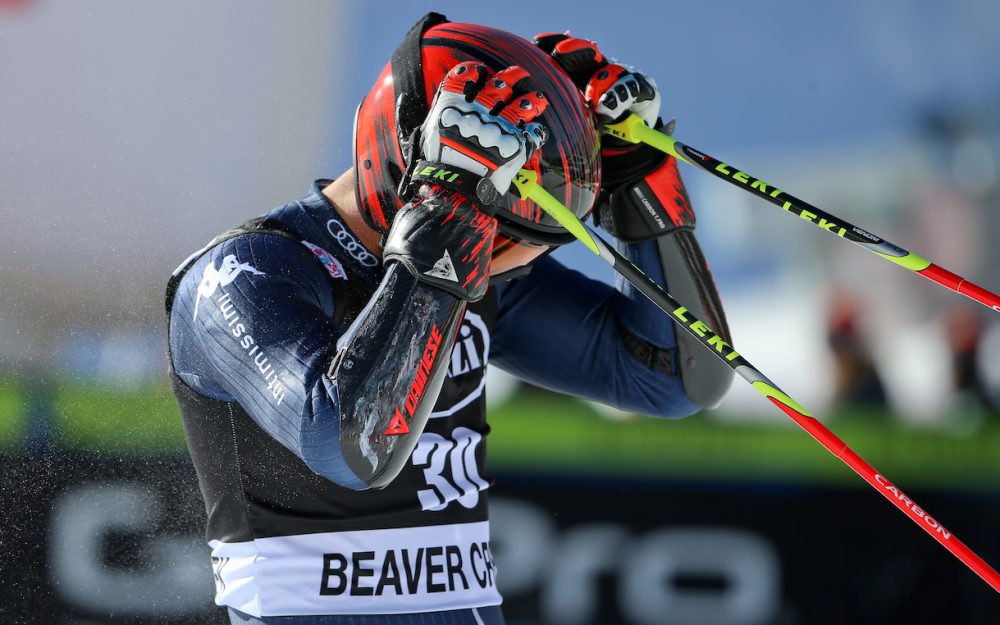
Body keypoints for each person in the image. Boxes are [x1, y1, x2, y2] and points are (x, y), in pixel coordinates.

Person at [166, 13, 732, 625]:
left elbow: (678, 377)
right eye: (506, 239)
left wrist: (640, 184)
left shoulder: (473, 268)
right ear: (417, 175)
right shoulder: (245, 272)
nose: (505, 266)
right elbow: (354, 449)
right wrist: (447, 225)